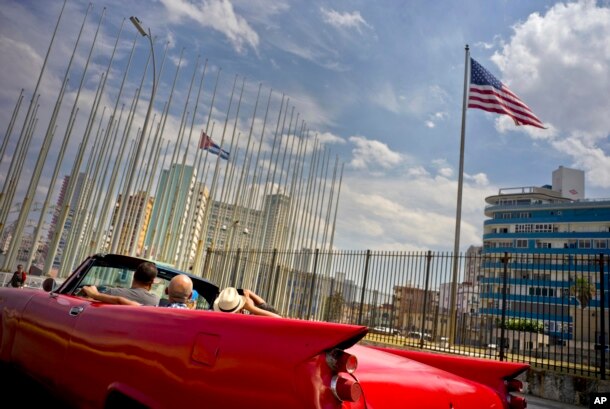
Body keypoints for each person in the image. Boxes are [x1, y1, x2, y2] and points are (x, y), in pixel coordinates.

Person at [82, 261, 159, 306]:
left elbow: (91, 305)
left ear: (134, 275)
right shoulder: (155, 302)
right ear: (152, 282)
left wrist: (93, 295)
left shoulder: (113, 293)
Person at [213, 287, 281, 318]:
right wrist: (252, 308)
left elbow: (264, 307)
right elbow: (279, 319)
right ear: (241, 309)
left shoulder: (214, 318)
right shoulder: (242, 321)